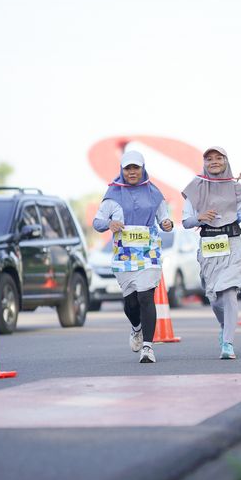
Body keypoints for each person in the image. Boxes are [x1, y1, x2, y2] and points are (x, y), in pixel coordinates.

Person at [182, 146, 241, 360]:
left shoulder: (236, 187)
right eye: (209, 159)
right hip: (209, 246)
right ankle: (224, 327)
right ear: (204, 163)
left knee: (229, 291)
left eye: (218, 158)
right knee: (214, 298)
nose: (214, 162)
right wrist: (200, 217)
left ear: (226, 161)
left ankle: (228, 343)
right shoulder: (195, 186)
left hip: (233, 245)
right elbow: (186, 222)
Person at [93, 150, 173, 363]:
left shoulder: (154, 193)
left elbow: (165, 219)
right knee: (131, 303)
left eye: (135, 167)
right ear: (122, 170)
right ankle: (136, 328)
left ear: (142, 168)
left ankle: (148, 347)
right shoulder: (113, 194)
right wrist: (109, 223)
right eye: (128, 168)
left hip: (149, 253)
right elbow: (97, 222)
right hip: (125, 255)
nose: (132, 172)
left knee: (146, 297)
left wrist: (167, 224)